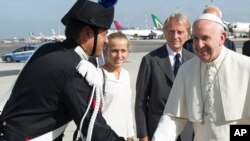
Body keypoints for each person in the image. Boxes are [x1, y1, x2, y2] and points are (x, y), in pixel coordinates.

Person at [0, 0, 125, 141]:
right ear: (88, 33)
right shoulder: (78, 69)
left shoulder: (46, 49)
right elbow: (93, 130)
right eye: (104, 34)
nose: (106, 40)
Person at [152, 13, 250, 141]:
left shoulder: (246, 67)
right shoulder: (186, 70)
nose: (199, 45)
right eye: (195, 38)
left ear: (222, 38)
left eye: (205, 38)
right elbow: (174, 116)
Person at [135, 13, 194, 141]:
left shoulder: (193, 60)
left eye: (180, 32)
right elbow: (140, 101)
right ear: (165, 32)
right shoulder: (150, 60)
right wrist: (143, 135)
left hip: (187, 132)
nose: (175, 36)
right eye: (171, 31)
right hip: (158, 130)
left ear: (187, 34)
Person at [98, 32, 135, 141]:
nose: (119, 55)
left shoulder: (125, 75)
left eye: (123, 51)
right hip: (104, 137)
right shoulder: (99, 75)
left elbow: (127, 108)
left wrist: (130, 134)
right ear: (105, 50)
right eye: (114, 51)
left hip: (122, 136)